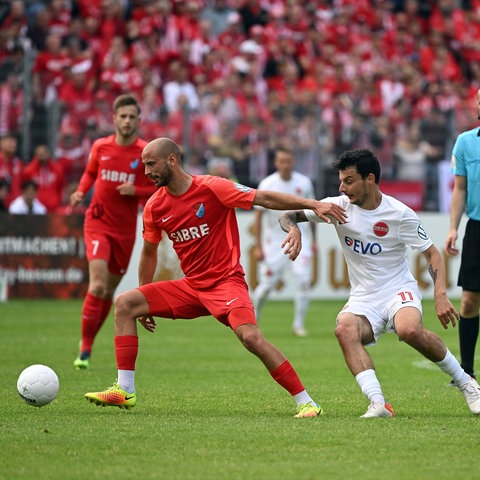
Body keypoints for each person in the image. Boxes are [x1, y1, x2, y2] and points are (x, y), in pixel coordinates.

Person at [84, 137, 347, 417]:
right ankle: (125, 390)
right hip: (191, 286)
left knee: (250, 337)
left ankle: (306, 401)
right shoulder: (154, 207)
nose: (146, 172)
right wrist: (145, 296)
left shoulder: (213, 187)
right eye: (145, 166)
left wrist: (313, 204)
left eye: (151, 164)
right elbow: (149, 253)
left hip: (226, 283)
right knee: (126, 303)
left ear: (172, 160)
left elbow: (264, 198)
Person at [278, 149, 480, 417]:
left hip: (398, 290)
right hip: (364, 297)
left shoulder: (399, 214)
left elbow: (431, 253)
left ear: (369, 179)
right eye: (341, 181)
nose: (342, 187)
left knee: (409, 330)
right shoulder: (337, 207)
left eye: (349, 181)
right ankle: (378, 403)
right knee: (344, 329)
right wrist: (294, 228)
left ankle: (467, 383)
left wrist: (440, 294)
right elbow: (287, 215)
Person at [70, 94, 157, 370]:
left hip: (124, 230)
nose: (127, 121)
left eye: (132, 116)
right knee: (97, 284)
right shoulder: (101, 146)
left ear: (138, 120)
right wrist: (81, 192)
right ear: (114, 118)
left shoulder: (145, 153)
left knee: (108, 290)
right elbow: (90, 173)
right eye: (123, 116)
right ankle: (84, 348)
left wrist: (137, 191)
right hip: (97, 222)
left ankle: (90, 343)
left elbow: (157, 188)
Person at [251, 147, 317, 336]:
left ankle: (298, 324)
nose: (285, 165)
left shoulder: (303, 183)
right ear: (276, 163)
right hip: (275, 241)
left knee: (304, 280)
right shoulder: (267, 183)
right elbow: (258, 216)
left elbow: (311, 212)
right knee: (266, 286)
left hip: (299, 236)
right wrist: (257, 245)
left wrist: (314, 241)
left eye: (288, 161)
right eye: (282, 161)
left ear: (293, 162)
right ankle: (253, 320)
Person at [444, 87, 480, 383]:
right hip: (477, 228)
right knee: (468, 301)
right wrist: (454, 227)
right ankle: (466, 372)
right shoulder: (465, 142)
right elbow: (460, 188)